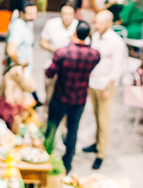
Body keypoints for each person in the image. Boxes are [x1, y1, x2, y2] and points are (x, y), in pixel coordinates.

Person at [43, 21, 100, 171]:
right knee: (73, 131)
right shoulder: (94, 55)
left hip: (61, 96)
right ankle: (67, 164)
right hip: (80, 99)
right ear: (88, 35)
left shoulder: (62, 53)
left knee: (52, 126)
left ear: (74, 33)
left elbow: (49, 73)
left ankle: (45, 157)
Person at [86, 10, 128, 170]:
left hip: (105, 85)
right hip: (94, 82)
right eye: (96, 22)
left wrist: (108, 88)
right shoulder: (96, 36)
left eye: (100, 23)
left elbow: (117, 67)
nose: (97, 26)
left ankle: (101, 153)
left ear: (109, 24)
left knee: (104, 120)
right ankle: (96, 143)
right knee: (96, 115)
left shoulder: (116, 42)